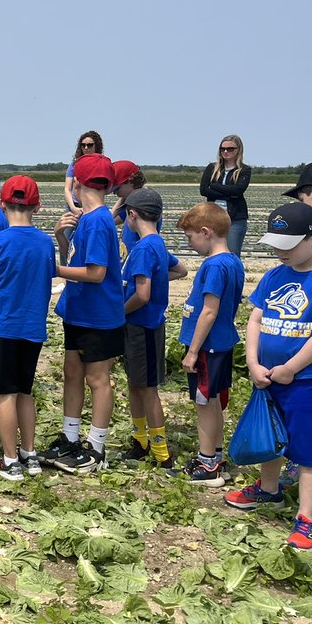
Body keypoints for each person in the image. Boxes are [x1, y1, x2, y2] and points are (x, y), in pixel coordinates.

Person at [224, 203, 312, 551]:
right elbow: (256, 320)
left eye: (288, 244)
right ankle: (269, 490)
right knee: (270, 434)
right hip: (267, 377)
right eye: (276, 243)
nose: (279, 250)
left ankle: (306, 518)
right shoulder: (275, 275)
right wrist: (252, 362)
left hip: (306, 382)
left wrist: (291, 368)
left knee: (307, 452)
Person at [41, 154, 125, 473]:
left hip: (99, 314)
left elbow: (96, 272)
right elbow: (79, 261)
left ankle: (96, 448)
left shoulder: (99, 220)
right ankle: (70, 437)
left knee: (98, 379)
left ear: (78, 182)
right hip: (79, 310)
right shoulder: (87, 218)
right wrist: (62, 238)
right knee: (73, 372)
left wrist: (54, 268)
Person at [0, 176, 56, 481]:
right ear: (36, 206)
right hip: (32, 326)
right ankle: (29, 454)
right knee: (25, 391)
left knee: (4, 394)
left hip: (2, 325)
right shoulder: (45, 243)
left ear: (3, 204)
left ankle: (9, 460)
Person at [175, 202, 244, 487]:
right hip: (221, 343)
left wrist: (192, 351)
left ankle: (207, 463)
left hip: (208, 347)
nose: (190, 243)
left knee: (203, 402)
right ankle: (215, 456)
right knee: (213, 399)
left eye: (191, 237)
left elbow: (209, 310)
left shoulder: (214, 265)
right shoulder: (233, 261)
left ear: (206, 232)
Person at [119, 188, 187, 468]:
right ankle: (140, 441)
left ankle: (162, 454)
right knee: (135, 384)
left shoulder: (143, 249)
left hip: (141, 327)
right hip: (145, 326)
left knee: (147, 389)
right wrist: (159, 280)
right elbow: (180, 270)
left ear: (132, 215)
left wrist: (117, 312)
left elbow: (143, 295)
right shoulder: (157, 243)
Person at [199, 135, 252, 258]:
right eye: (222, 149)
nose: (225, 152)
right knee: (213, 254)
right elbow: (203, 190)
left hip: (235, 219)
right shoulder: (212, 167)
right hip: (213, 218)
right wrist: (229, 193)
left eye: (230, 149)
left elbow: (238, 190)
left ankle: (234, 277)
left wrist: (214, 186)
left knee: (233, 255)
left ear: (238, 149)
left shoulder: (244, 170)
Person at [57, 132, 103, 265]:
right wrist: (72, 208)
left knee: (87, 239)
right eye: (83, 145)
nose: (86, 148)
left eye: (90, 145)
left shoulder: (100, 164)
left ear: (97, 146)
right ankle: (66, 274)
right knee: (65, 237)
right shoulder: (74, 165)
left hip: (91, 207)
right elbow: (67, 188)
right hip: (74, 206)